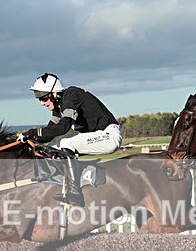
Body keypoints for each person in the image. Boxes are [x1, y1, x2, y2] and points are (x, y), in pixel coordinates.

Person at [20, 73, 122, 207]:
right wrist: (29, 140)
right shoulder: (58, 108)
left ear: (54, 93)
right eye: (38, 98)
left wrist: (32, 132)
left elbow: (63, 127)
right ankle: (60, 184)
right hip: (97, 135)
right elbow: (50, 133)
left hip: (109, 135)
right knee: (52, 147)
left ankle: (75, 192)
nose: (42, 103)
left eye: (43, 98)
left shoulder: (71, 95)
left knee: (66, 143)